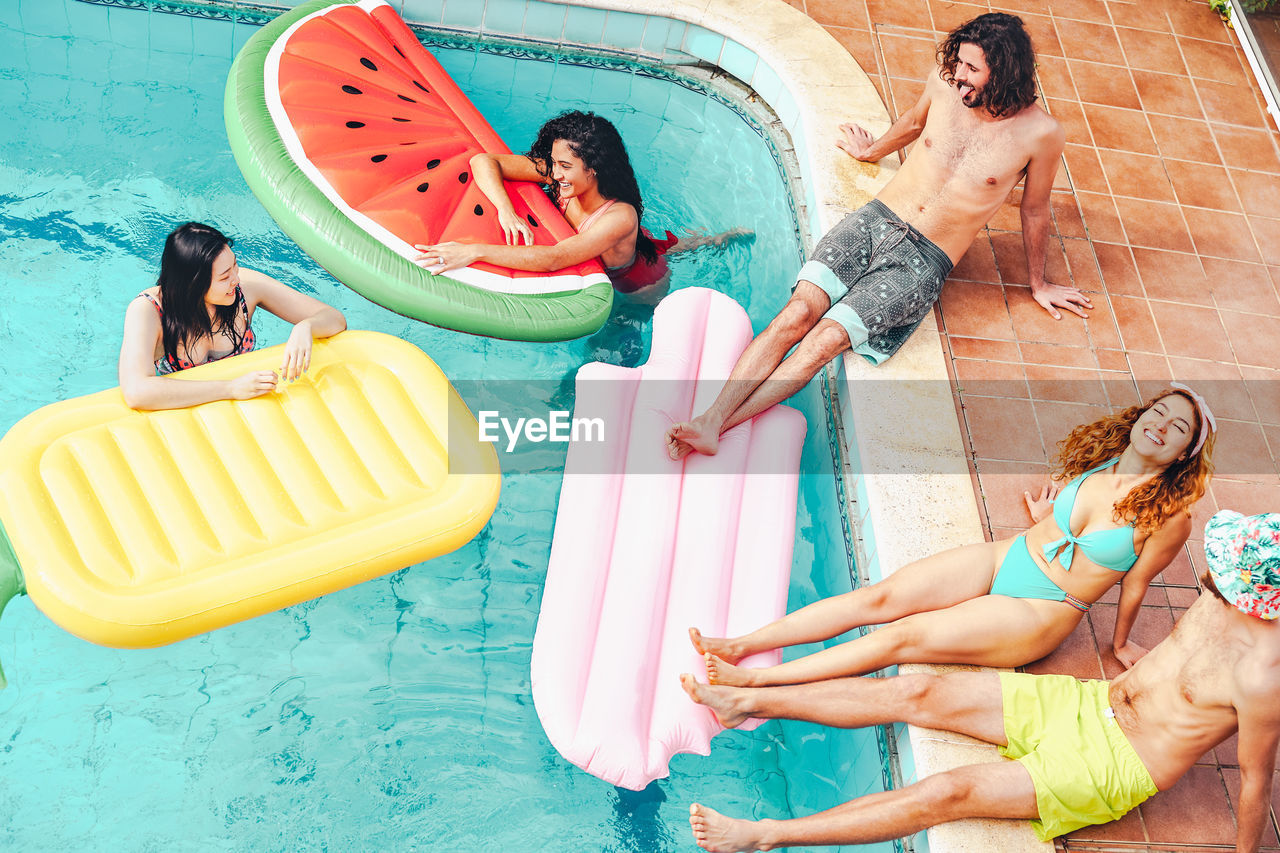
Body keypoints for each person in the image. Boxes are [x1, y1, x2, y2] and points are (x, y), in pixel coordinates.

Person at [681, 508, 1280, 852]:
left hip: (1116, 764)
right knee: (914, 690)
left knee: (946, 794)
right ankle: (744, 701)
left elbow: (1254, 786)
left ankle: (763, 836)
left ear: (1259, 602)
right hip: (1082, 703)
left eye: (1227, 570)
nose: (1212, 568)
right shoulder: (1217, 595)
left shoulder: (1262, 678)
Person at [666, 12, 1088, 461]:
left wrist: (1038, 283)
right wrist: (870, 151)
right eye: (959, 64)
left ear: (1004, 72)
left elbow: (1035, 208)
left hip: (925, 259)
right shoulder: (944, 85)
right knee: (796, 315)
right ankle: (710, 421)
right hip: (874, 221)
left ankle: (714, 424)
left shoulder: (1042, 134)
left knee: (825, 340)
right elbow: (911, 124)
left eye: (972, 70)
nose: (959, 77)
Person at [690, 386, 1216, 687]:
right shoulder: (1105, 458)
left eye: (1179, 429)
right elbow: (1077, 520)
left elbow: (1136, 583)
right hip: (1008, 556)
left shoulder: (1171, 515)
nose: (1162, 426)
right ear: (1140, 415)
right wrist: (1047, 515)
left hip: (1044, 607)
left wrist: (1121, 644)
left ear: (1185, 454)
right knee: (881, 597)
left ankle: (758, 681)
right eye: (1159, 412)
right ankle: (741, 644)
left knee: (903, 637)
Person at [413, 110, 742, 297]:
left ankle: (720, 239)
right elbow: (485, 162)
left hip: (636, 284)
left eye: (565, 166)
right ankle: (709, 240)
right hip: (611, 248)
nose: (554, 173)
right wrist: (506, 210)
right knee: (667, 245)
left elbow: (555, 258)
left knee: (619, 333)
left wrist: (475, 251)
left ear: (593, 168)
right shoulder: (562, 175)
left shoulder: (620, 217)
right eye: (554, 163)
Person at [119, 222, 346, 410]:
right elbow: (136, 391)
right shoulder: (150, 310)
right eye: (224, 276)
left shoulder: (246, 288)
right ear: (192, 285)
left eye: (235, 266)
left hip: (253, 402)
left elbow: (334, 318)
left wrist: (305, 327)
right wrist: (230, 388)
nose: (236, 279)